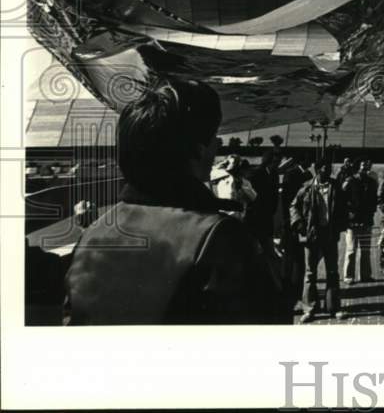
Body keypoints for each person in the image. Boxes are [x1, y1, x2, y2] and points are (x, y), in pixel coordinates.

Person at [64, 77, 287, 324]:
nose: (217, 145)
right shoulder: (220, 238)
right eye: (214, 136)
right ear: (198, 151)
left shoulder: (95, 232)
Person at [290, 157, 348, 323]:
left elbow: (343, 206)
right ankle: (309, 308)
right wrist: (299, 223)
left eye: (330, 167)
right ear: (318, 169)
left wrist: (342, 223)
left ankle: (334, 307)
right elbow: (293, 205)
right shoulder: (307, 188)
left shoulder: (335, 186)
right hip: (312, 234)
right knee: (310, 273)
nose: (329, 170)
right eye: (326, 168)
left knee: (332, 271)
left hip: (330, 234)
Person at [276, 153, 311, 310]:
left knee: (294, 260)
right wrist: (290, 221)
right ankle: (291, 295)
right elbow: (288, 200)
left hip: (295, 221)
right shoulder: (292, 175)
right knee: (293, 260)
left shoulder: (299, 173)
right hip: (292, 222)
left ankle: (292, 294)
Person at [343, 158, 379, 284]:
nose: (365, 166)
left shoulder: (372, 182)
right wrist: (348, 214)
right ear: (358, 166)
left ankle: (365, 275)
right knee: (351, 250)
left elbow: (374, 200)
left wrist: (371, 214)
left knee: (365, 250)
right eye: (363, 164)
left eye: (367, 164)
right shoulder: (350, 181)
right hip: (352, 222)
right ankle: (348, 276)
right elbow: (342, 200)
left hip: (366, 221)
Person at [246, 149, 280, 254]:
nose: (278, 164)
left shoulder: (275, 175)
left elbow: (274, 195)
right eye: (276, 162)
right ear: (268, 161)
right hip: (256, 216)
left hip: (268, 216)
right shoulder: (255, 173)